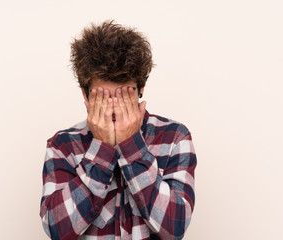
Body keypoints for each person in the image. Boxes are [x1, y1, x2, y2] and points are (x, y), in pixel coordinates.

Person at [39, 20, 197, 240]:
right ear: (85, 96)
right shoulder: (62, 145)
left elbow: (175, 225)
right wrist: (101, 149)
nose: (113, 106)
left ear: (141, 89)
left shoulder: (174, 138)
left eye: (124, 95)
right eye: (101, 97)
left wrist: (131, 144)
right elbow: (57, 229)